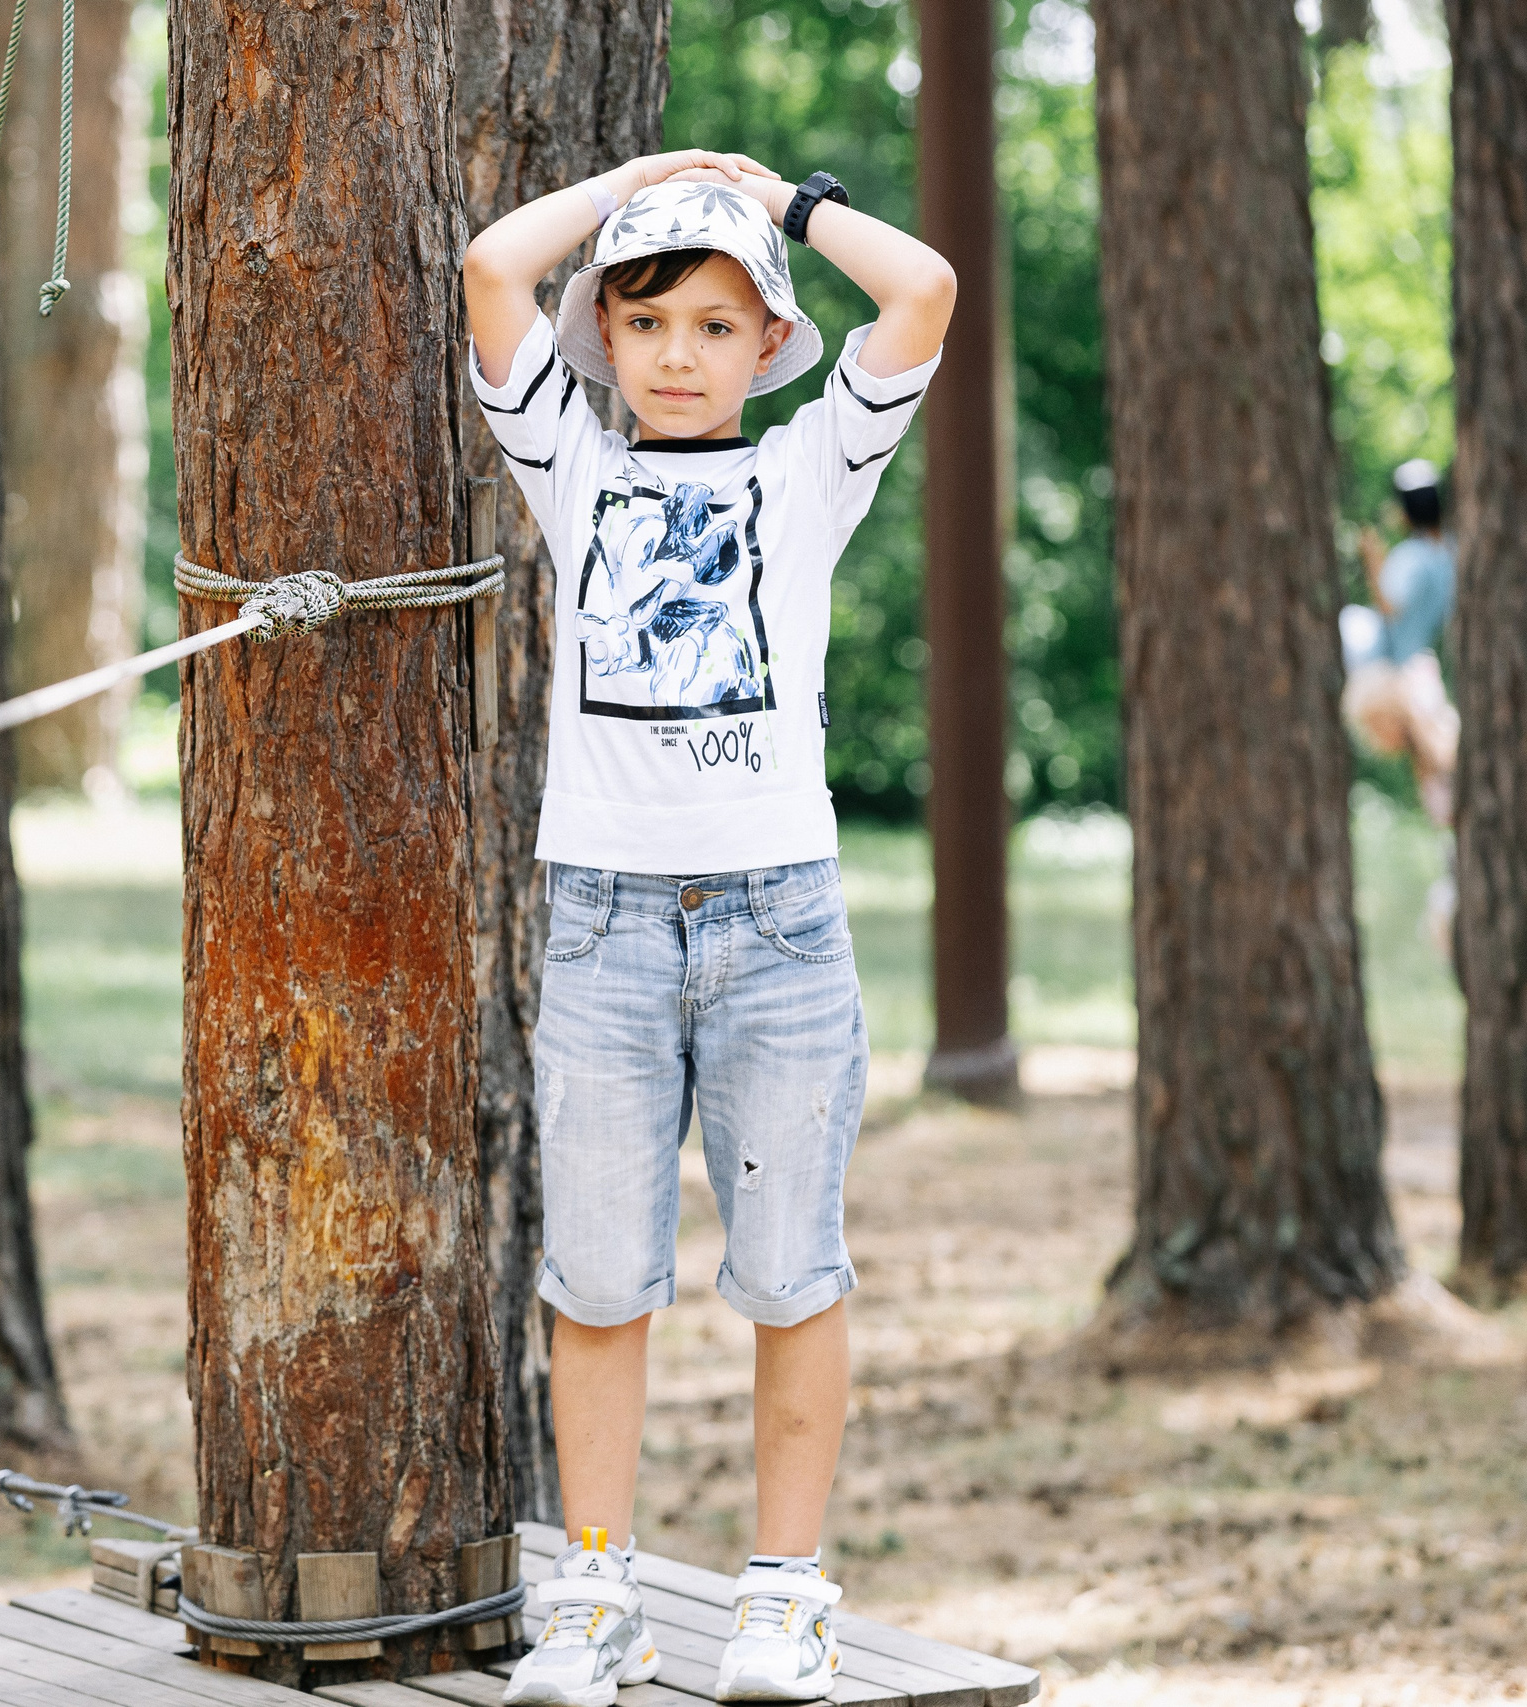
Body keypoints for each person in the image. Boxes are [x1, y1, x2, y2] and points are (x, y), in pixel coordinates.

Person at [463, 151, 954, 1706]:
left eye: (718, 325)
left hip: (779, 925)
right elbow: (491, 270)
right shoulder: (575, 467)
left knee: (789, 1268)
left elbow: (926, 287)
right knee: (599, 1277)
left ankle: (785, 1593)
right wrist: (643, 181)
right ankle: (595, 1589)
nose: (680, 353)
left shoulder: (813, 469)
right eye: (650, 318)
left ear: (768, 348)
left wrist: (784, 203)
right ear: (604, 337)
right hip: (604, 923)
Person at [1340, 460, 1460, 825]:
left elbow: (1390, 606)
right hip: (1416, 661)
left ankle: (1446, 812)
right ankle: (1446, 815)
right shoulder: (1452, 553)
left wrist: (1373, 560)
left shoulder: (1412, 556)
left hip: (1381, 664)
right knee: (1427, 755)